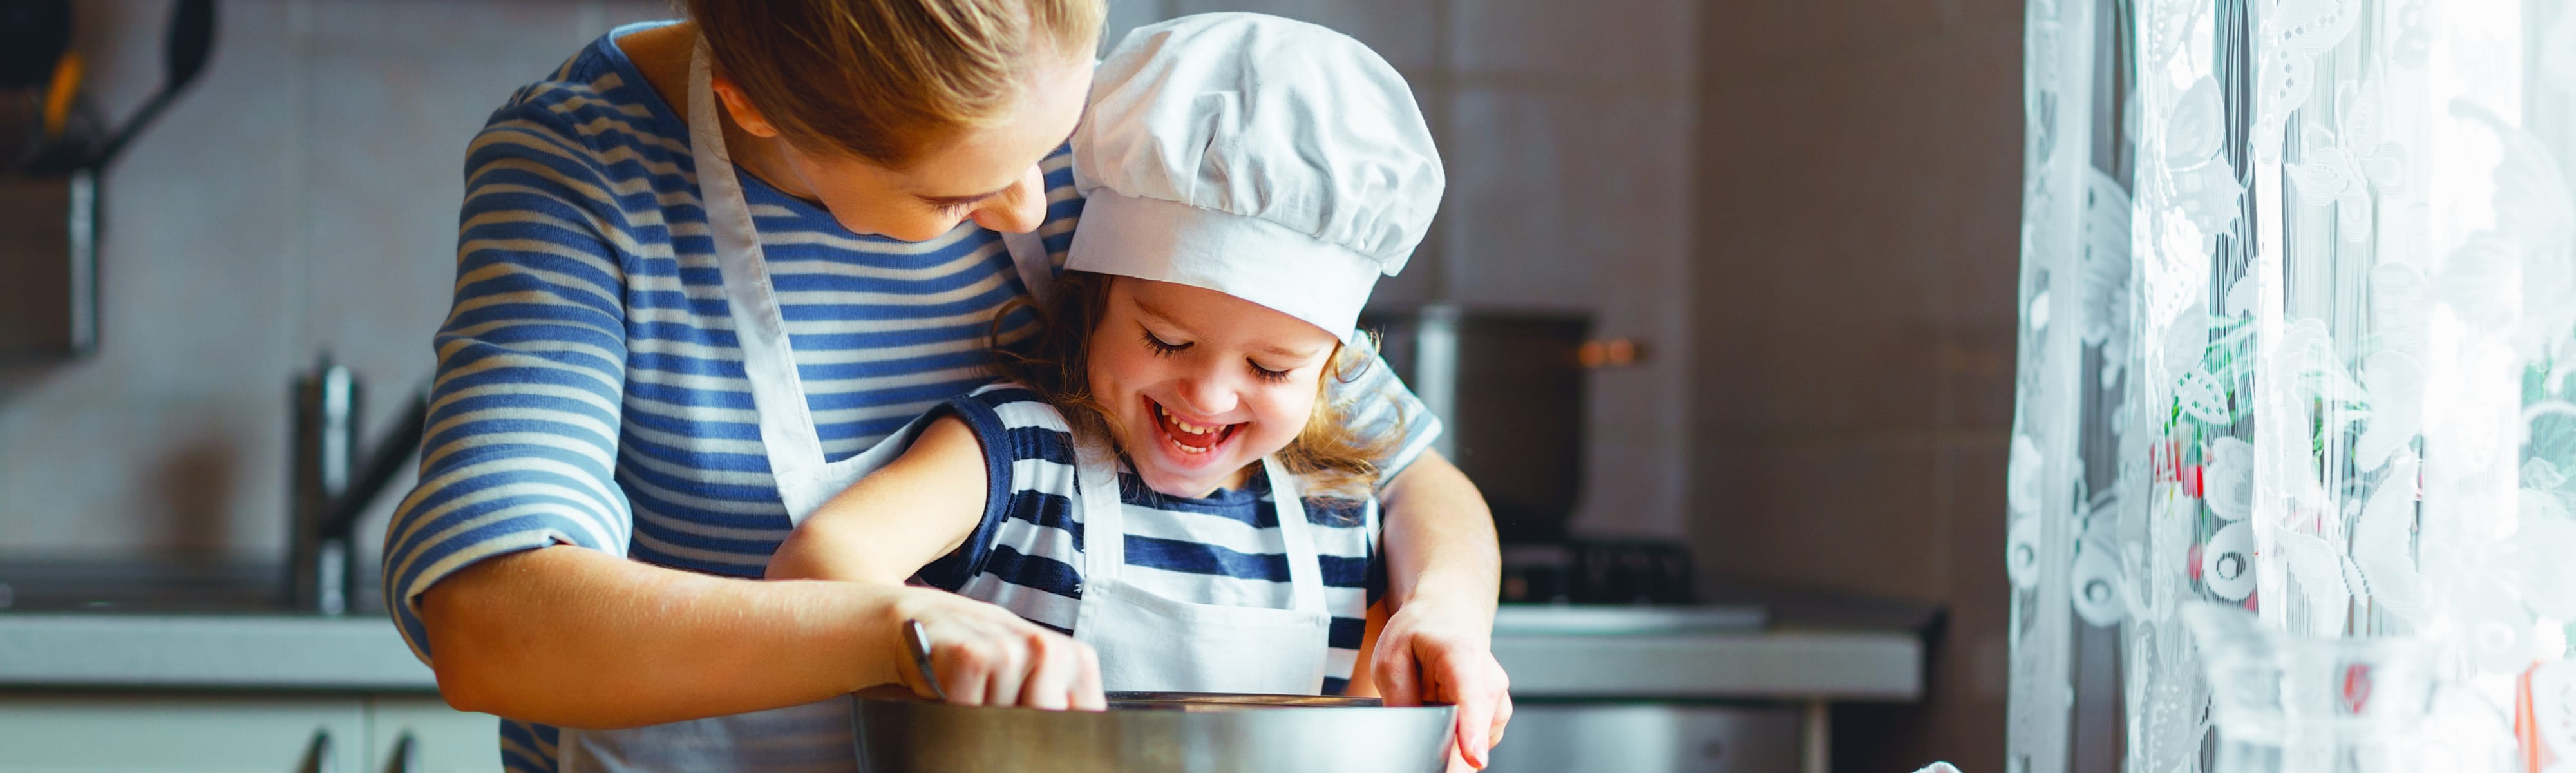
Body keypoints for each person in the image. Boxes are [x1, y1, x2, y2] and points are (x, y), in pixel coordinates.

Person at [379, 2, 1510, 771]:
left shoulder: (1120, 148)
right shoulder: (589, 173)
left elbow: (1403, 472)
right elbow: (492, 619)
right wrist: (892, 627)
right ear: (756, 107)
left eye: (1052, 146)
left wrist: (1445, 605)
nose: (1033, 209)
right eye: (955, 196)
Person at [768, 12, 1449, 712]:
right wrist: (936, 635)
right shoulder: (1021, 457)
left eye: (1271, 369)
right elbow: (816, 561)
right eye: (1166, 341)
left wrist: (1440, 619)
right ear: (1091, 304)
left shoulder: (1336, 514)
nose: (1210, 396)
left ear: (1337, 368)